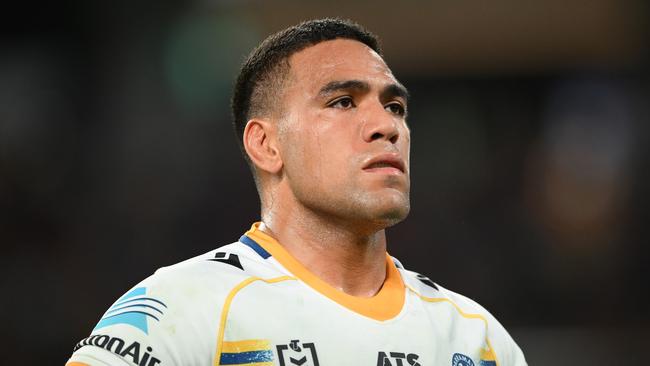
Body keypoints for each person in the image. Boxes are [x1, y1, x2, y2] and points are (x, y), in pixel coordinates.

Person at [66, 18, 527, 366]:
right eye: (342, 102)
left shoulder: (475, 339)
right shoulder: (183, 309)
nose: (387, 126)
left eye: (395, 106)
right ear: (266, 144)